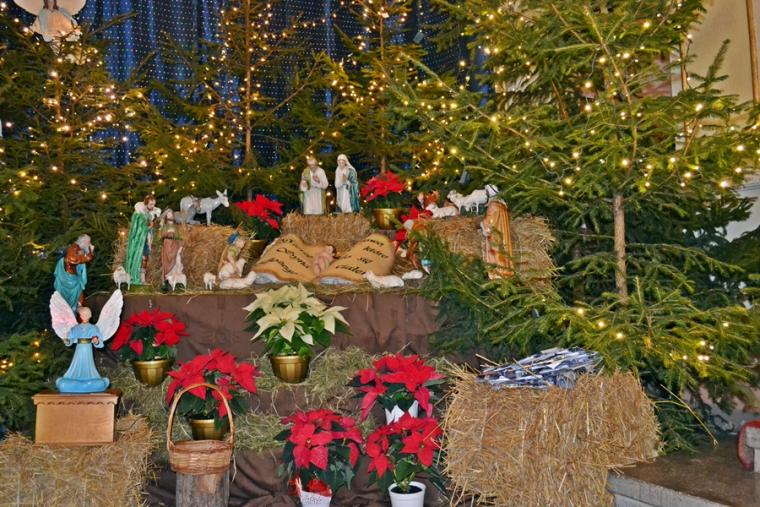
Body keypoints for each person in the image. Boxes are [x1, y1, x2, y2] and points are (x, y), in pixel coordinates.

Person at [55, 306, 110, 393]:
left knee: (95, 376)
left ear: (90, 315)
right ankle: (73, 379)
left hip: (88, 351)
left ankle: (90, 379)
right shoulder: (75, 328)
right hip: (79, 351)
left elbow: (100, 344)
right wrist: (67, 340)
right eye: (83, 314)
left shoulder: (93, 328)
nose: (84, 316)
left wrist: (96, 341)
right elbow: (70, 340)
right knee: (64, 383)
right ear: (80, 316)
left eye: (86, 314)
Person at [53, 234, 94, 310]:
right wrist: (89, 252)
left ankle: (76, 309)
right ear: (83, 241)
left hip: (72, 276)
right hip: (69, 278)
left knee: (79, 294)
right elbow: (73, 259)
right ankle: (74, 309)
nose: (89, 244)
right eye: (88, 242)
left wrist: (85, 253)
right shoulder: (74, 247)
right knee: (78, 292)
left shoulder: (77, 248)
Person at [125, 196, 159, 285]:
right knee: (139, 259)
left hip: (145, 241)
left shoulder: (149, 215)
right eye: (151, 204)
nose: (153, 206)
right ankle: (135, 278)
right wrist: (149, 227)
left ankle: (143, 280)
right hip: (138, 242)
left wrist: (151, 229)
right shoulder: (138, 214)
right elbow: (136, 229)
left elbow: (149, 229)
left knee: (145, 259)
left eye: (154, 204)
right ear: (146, 203)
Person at [481, 200, 514, 279]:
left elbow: (489, 224)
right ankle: (505, 270)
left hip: (495, 236)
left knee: (495, 252)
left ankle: (497, 273)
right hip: (502, 234)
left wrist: (482, 223)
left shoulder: (493, 206)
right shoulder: (502, 206)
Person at [159, 209, 184, 291]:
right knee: (166, 263)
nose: (170, 216)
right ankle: (166, 282)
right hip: (167, 245)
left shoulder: (176, 227)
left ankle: (174, 281)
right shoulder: (164, 226)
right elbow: (159, 237)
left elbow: (179, 237)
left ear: (173, 215)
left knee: (175, 262)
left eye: (171, 214)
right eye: (168, 214)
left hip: (174, 245)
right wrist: (167, 232)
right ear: (166, 216)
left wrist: (180, 246)